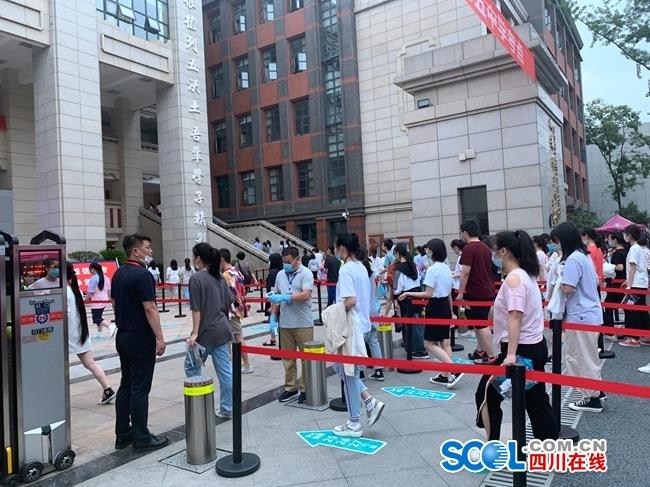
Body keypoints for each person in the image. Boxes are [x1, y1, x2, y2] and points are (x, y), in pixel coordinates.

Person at [475, 231, 558, 440]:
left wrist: (510, 355)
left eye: (495, 250)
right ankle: (548, 444)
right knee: (535, 400)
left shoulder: (515, 279)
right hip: (532, 346)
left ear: (504, 251)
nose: (494, 255)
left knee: (486, 394)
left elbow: (515, 316)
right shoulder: (525, 275)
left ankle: (493, 446)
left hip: (521, 351)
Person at [111, 233, 168, 451]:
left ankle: (123, 434)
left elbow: (114, 302)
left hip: (123, 335)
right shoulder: (143, 275)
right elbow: (150, 308)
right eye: (147, 247)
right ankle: (141, 437)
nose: (150, 251)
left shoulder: (118, 273)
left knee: (126, 384)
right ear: (136, 251)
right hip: (140, 336)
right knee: (140, 388)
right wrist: (159, 337)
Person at [329, 233, 385, 437]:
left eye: (336, 248)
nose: (336, 252)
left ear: (342, 248)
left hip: (351, 326)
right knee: (343, 369)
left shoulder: (346, 269)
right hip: (362, 323)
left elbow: (350, 300)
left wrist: (332, 311)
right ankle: (369, 402)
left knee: (347, 373)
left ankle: (354, 422)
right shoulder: (361, 266)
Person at [399, 238, 463, 388]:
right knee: (445, 342)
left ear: (433, 251)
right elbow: (448, 294)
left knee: (429, 343)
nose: (426, 252)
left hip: (435, 307)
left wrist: (408, 293)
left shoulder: (432, 270)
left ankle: (453, 370)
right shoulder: (446, 268)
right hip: (445, 306)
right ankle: (446, 375)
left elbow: (428, 293)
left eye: (428, 249)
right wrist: (451, 312)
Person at [554, 222, 603, 413]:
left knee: (580, 357)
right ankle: (596, 390)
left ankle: (592, 397)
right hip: (589, 313)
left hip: (581, 315)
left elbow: (568, 288)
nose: (555, 245)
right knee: (589, 355)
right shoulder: (584, 255)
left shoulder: (574, 259)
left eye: (557, 241)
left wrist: (558, 281)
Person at [186, 243, 235, 419]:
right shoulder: (220, 277)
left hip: (205, 332)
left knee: (192, 367)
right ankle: (228, 408)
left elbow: (196, 309)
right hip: (222, 329)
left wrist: (194, 333)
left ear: (198, 259)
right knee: (226, 371)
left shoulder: (196, 278)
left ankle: (199, 407)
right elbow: (229, 301)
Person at [66, 263, 116, 405]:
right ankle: (107, 389)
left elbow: (65, 314)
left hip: (68, 334)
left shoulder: (65, 291)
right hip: (80, 332)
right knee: (90, 363)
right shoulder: (75, 290)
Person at [270, 247, 315, 403]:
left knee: (306, 358)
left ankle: (305, 388)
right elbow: (276, 295)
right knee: (288, 358)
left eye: (289, 262)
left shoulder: (306, 273)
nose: (286, 265)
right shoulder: (280, 274)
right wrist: (273, 316)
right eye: (284, 262)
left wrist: (287, 297)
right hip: (286, 323)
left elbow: (306, 294)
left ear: (297, 259)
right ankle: (290, 387)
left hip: (303, 322)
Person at [457, 221, 496, 363]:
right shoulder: (485, 247)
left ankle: (491, 356)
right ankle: (480, 351)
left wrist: (460, 293)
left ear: (465, 233)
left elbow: (465, 272)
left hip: (476, 292)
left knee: (482, 324)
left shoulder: (469, 249)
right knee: (478, 323)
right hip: (487, 289)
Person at [220, 248, 254, 374]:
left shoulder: (226, 275)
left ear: (221, 259)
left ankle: (245, 364)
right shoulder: (237, 272)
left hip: (230, 311)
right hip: (237, 310)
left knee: (236, 337)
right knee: (235, 337)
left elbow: (229, 295)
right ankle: (236, 364)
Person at [392, 242, 428, 359]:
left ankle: (415, 349)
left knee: (409, 325)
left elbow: (397, 289)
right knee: (418, 324)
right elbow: (419, 279)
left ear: (398, 253)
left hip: (406, 298)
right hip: (417, 296)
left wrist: (394, 297)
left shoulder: (399, 269)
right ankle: (420, 348)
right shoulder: (414, 265)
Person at [357, 247, 385, 381]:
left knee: (360, 343)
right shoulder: (373, 272)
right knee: (373, 340)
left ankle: (360, 372)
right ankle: (379, 370)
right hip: (373, 308)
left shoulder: (358, 273)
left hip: (361, 311)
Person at [619, 224, 650, 346]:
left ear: (630, 235)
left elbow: (632, 267)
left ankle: (634, 338)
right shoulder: (639, 248)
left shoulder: (634, 248)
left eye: (626, 234)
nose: (624, 236)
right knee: (641, 310)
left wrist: (629, 285)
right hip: (640, 282)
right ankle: (646, 334)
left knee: (633, 310)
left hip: (636, 284)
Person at [603, 233, 627, 338]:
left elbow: (620, 267)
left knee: (608, 305)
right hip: (623, 282)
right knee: (626, 306)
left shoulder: (618, 253)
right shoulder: (625, 251)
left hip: (616, 284)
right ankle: (628, 328)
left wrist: (609, 266)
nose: (607, 241)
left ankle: (609, 331)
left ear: (615, 240)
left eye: (609, 239)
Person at [86, 262, 116, 338]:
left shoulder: (94, 278)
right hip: (104, 300)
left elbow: (91, 291)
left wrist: (86, 299)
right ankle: (99, 333)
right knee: (98, 316)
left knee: (96, 318)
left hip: (96, 301)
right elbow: (109, 290)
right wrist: (109, 299)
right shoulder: (106, 277)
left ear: (93, 269)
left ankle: (110, 326)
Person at [263, 253, 284, 346]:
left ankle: (273, 339)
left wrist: (272, 305)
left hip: (274, 299)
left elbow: (272, 288)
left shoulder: (273, 272)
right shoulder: (282, 271)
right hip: (281, 298)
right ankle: (279, 339)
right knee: (279, 320)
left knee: (273, 320)